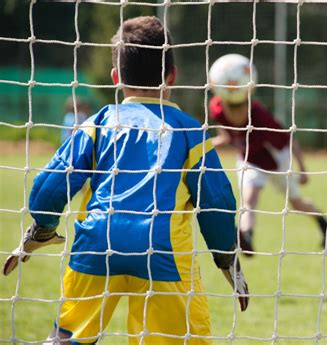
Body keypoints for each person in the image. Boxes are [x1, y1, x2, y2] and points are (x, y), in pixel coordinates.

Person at [3, 17, 248, 345]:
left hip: (96, 245)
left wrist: (42, 229)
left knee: (68, 338)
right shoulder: (189, 132)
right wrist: (227, 260)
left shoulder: (98, 123)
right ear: (172, 76)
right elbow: (217, 201)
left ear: (116, 77)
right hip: (162, 255)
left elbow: (52, 182)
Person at [209, 54, 327, 256]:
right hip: (249, 159)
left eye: (240, 110)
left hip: (276, 160)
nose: (235, 116)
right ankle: (245, 236)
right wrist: (202, 144)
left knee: (296, 203)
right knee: (249, 199)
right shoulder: (217, 109)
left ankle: (323, 223)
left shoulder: (261, 118)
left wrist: (302, 168)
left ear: (247, 100)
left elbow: (290, 140)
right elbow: (225, 136)